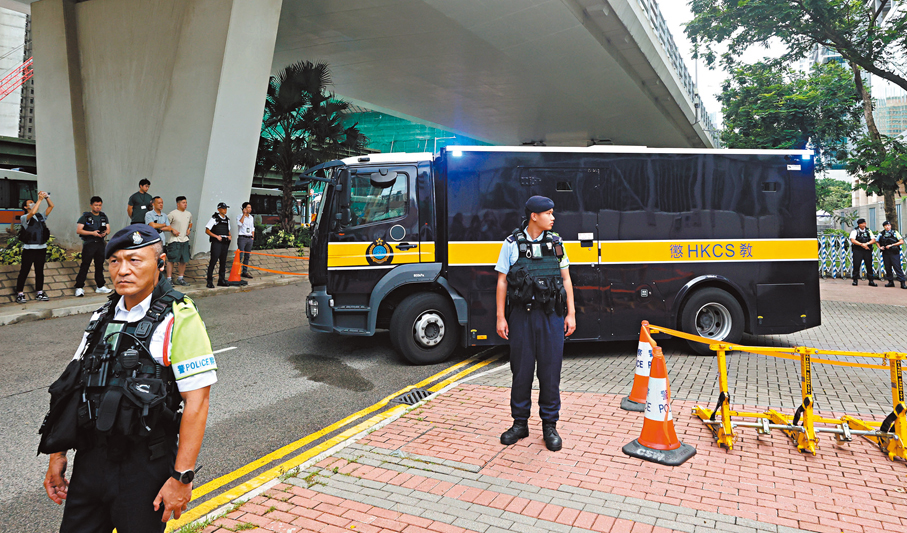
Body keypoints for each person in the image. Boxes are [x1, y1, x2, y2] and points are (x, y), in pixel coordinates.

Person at [42, 224, 217, 532]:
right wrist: (57, 454)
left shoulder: (180, 316)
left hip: (144, 467)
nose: (122, 270)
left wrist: (182, 478)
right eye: (115, 261)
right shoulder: (101, 318)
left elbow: (197, 402)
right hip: (90, 462)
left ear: (160, 264)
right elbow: (72, 387)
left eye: (134, 260)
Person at [494, 196, 576, 452]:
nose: (553, 218)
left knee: (550, 372)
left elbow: (566, 280)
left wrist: (571, 314)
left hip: (551, 316)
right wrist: (500, 316)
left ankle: (549, 426)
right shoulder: (511, 244)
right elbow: (502, 282)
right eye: (549, 213)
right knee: (522, 371)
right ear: (534, 216)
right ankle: (520, 424)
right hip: (522, 317)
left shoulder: (557, 243)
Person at [15, 191, 54, 304]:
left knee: (39, 271)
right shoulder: (24, 217)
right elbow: (32, 212)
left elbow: (51, 206)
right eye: (30, 203)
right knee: (24, 271)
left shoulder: (40, 216)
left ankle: (39, 292)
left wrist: (46, 197)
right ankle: (20, 293)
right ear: (25, 207)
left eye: (33, 202)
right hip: (29, 249)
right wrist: (39, 200)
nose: (32, 204)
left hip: (41, 248)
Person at [74, 196, 112, 297]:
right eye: (96, 205)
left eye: (99, 205)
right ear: (91, 205)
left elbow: (108, 229)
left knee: (99, 265)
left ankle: (100, 286)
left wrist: (105, 233)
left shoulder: (103, 216)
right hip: (89, 243)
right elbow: (79, 230)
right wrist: (92, 233)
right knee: (85, 264)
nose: (98, 207)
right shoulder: (85, 217)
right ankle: (79, 287)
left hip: (100, 243)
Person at [204, 202, 231, 289]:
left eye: (226, 208)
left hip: (225, 242)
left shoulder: (227, 219)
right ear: (219, 209)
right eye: (223, 208)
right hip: (216, 242)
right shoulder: (214, 218)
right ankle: (209, 281)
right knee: (213, 261)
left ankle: (221, 280)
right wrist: (216, 236)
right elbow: (207, 230)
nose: (225, 210)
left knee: (223, 262)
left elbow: (228, 230)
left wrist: (230, 235)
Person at [166, 196, 192, 286]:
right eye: (183, 202)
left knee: (184, 260)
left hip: (184, 239)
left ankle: (180, 278)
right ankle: (169, 279)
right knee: (171, 259)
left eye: (186, 202)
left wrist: (189, 229)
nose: (185, 204)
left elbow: (190, 223)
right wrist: (172, 230)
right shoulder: (172, 214)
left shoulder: (188, 214)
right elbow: (165, 225)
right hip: (174, 240)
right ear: (178, 204)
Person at [876, 220, 906, 289]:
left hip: (894, 252)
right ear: (884, 227)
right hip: (886, 253)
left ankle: (902, 282)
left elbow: (901, 241)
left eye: (889, 225)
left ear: (890, 226)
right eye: (886, 226)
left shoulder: (895, 232)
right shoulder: (881, 234)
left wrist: (892, 245)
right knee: (887, 267)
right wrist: (880, 247)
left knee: (897, 267)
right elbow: (876, 241)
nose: (887, 227)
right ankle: (890, 282)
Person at [849, 218, 877, 286]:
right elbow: (853, 240)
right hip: (857, 250)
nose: (863, 225)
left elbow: (873, 240)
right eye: (862, 223)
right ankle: (855, 280)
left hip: (867, 250)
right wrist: (861, 244)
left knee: (869, 265)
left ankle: (871, 281)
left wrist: (866, 244)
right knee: (856, 265)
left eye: (864, 223)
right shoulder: (855, 231)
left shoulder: (868, 231)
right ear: (859, 224)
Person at [236, 202, 255, 279]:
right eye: (248, 207)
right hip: (242, 237)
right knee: (240, 255)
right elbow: (239, 224)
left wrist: (252, 236)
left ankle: (245, 271)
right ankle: (237, 271)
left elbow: (252, 227)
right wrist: (244, 214)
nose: (250, 209)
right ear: (244, 208)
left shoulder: (251, 217)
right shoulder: (239, 216)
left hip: (249, 238)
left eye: (250, 207)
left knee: (247, 256)